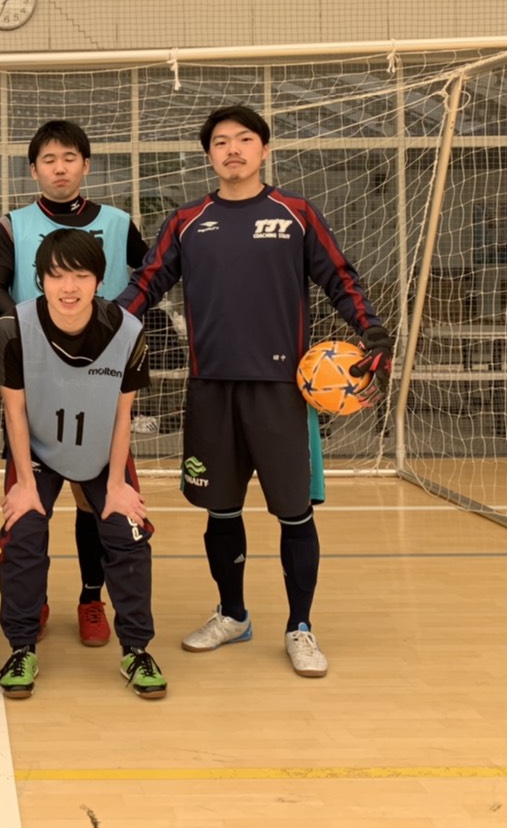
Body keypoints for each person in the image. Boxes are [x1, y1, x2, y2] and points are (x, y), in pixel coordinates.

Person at [116, 104, 392, 678]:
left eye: (244, 139)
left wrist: (371, 328)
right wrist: (102, 326)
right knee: (220, 510)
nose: (233, 149)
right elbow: (147, 283)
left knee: (294, 513)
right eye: (221, 141)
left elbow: (339, 276)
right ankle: (232, 614)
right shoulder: (187, 221)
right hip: (211, 388)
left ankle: (301, 627)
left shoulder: (295, 213)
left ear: (264, 149)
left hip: (281, 393)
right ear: (209, 155)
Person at [0, 119, 150, 648]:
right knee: (30, 511)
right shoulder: (12, 224)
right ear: (34, 169)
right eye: (49, 159)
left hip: (99, 375)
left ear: (86, 165)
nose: (60, 168)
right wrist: (37, 334)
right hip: (39, 371)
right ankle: (30, 606)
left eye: (70, 158)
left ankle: (90, 597)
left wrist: (114, 326)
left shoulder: (119, 222)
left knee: (95, 500)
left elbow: (150, 277)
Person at [0, 229, 167, 700]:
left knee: (129, 532)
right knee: (23, 531)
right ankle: (22, 646)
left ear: (99, 280)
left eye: (81, 276)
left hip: (102, 452)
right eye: (57, 276)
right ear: (40, 280)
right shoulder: (12, 328)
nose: (68, 288)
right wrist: (24, 483)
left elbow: (124, 413)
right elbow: (14, 411)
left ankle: (136, 649)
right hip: (38, 452)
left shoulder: (127, 331)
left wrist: (118, 485)